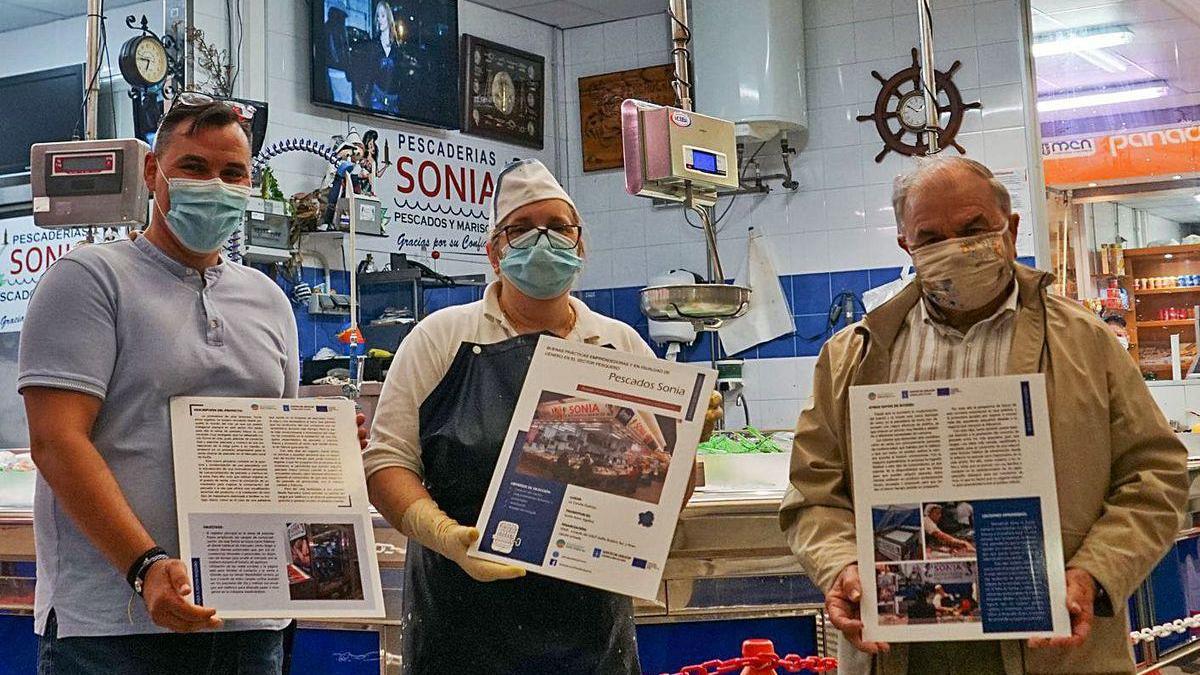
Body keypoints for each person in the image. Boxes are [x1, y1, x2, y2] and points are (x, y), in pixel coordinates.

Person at [779, 156, 1189, 674]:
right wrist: (841, 565)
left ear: (1010, 229)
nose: (954, 248)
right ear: (906, 244)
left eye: (973, 229)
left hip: (1056, 650)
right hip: (897, 653)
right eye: (930, 237)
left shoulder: (1085, 342)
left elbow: (1155, 473)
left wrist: (1093, 572)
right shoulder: (854, 355)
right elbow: (813, 492)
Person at [19, 96, 368, 675]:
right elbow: (57, 442)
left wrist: (321, 451)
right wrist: (145, 566)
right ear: (154, 172)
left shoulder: (270, 300)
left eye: (233, 173)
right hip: (115, 626)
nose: (216, 184)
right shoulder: (88, 281)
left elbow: (271, 449)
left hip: (251, 621)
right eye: (194, 168)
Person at [363, 158, 721, 674]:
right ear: (494, 251)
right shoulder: (440, 338)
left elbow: (659, 504)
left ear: (580, 246)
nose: (542, 239)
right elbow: (387, 463)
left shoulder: (620, 346)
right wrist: (446, 536)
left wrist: (683, 445)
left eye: (557, 227)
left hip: (590, 633)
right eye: (521, 229)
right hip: (459, 625)